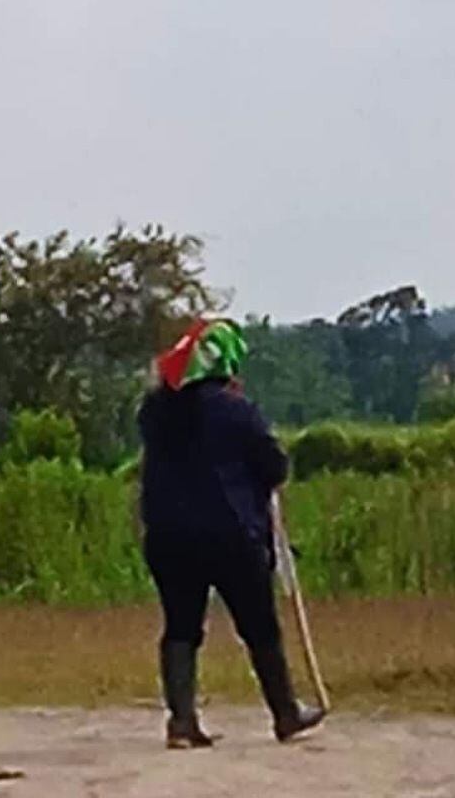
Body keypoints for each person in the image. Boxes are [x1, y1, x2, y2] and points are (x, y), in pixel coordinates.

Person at [139, 319, 324, 748]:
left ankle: (181, 721)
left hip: (169, 537)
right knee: (259, 625)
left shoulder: (155, 412)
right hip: (231, 534)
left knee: (181, 626)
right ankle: (285, 714)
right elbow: (274, 466)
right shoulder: (236, 410)